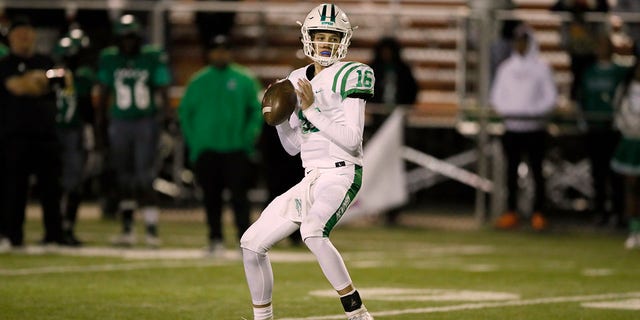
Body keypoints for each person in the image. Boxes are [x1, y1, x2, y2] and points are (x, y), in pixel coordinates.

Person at [240, 4, 375, 320]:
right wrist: (280, 120)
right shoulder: (296, 78)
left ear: (343, 40)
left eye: (332, 36)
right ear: (307, 37)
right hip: (311, 176)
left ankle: (357, 313)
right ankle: (263, 318)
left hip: (342, 173)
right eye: (320, 35)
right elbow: (292, 148)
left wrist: (312, 109)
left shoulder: (354, 73)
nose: (326, 42)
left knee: (313, 231)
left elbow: (352, 139)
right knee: (251, 243)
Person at [178, 35, 262, 256]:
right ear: (209, 53)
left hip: (236, 148)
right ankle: (215, 238)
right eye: (216, 50)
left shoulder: (244, 78)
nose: (220, 54)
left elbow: (256, 110)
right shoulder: (198, 80)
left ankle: (245, 241)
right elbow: (185, 113)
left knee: (239, 197)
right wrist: (196, 143)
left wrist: (248, 136)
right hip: (207, 150)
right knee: (210, 197)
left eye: (224, 49)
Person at [96, 14, 172, 247]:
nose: (128, 42)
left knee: (144, 177)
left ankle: (151, 230)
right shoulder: (109, 58)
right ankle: (128, 230)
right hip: (119, 122)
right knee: (124, 178)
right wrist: (100, 125)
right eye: (124, 37)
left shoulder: (151, 56)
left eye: (131, 37)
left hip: (144, 122)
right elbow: (104, 93)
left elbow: (162, 89)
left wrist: (165, 120)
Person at [0, 16, 66, 248]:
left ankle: (54, 235)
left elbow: (61, 81)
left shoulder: (45, 59)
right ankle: (12, 235)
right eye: (19, 34)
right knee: (14, 189)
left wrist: (33, 81)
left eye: (28, 33)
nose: (24, 38)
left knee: (51, 188)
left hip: (45, 134)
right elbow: (16, 87)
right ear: (10, 38)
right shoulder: (5, 64)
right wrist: (35, 80)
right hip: (14, 135)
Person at [490, 23, 558, 231]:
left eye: (523, 41)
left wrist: (533, 111)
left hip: (534, 128)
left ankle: (539, 213)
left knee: (537, 172)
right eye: (517, 41)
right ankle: (511, 212)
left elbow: (550, 97)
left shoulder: (541, 68)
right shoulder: (506, 68)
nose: (520, 45)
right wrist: (509, 110)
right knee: (510, 173)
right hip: (512, 127)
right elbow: (496, 96)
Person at [52, 25, 96, 246]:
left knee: (69, 182)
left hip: (67, 132)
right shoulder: (62, 75)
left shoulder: (74, 76)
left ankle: (62, 227)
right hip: (62, 132)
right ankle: (59, 227)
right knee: (63, 182)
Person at [578, 35, 628, 226]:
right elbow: (582, 97)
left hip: (613, 128)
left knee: (616, 173)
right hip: (594, 127)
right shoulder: (589, 72)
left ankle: (618, 211)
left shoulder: (620, 72)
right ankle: (599, 210)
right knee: (597, 172)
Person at [368, 36, 417, 226]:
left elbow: (412, 92)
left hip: (397, 124)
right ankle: (373, 206)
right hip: (378, 123)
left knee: (396, 167)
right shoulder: (374, 69)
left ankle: (393, 210)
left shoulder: (403, 70)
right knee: (375, 165)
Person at [611, 60, 640, 249]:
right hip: (630, 141)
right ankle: (634, 230)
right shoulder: (625, 89)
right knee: (631, 187)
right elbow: (618, 113)